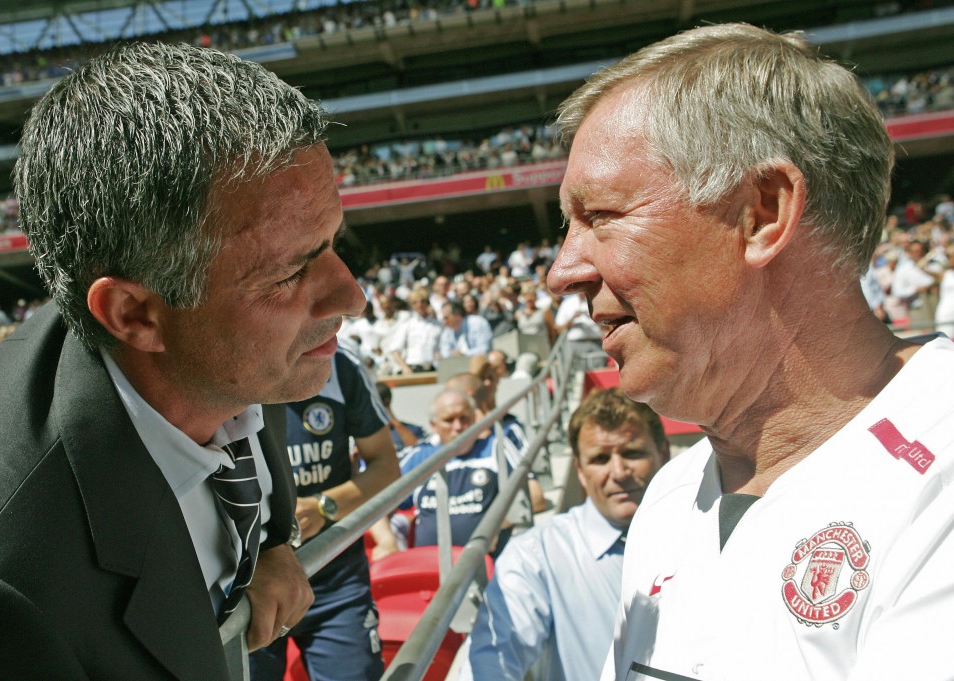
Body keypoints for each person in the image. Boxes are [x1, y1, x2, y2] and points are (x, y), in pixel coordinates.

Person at [0, 42, 366, 680]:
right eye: (290, 274)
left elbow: (239, 395)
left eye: (332, 242)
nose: (352, 295)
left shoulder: (215, 344)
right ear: (134, 315)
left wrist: (271, 542)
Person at [547, 23, 954, 681]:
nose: (563, 269)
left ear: (761, 213)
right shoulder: (672, 494)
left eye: (603, 218)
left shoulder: (938, 482)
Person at [460, 388, 668, 681]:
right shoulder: (536, 556)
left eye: (632, 453)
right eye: (600, 459)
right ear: (580, 471)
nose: (618, 472)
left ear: (664, 453)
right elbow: (491, 661)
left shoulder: (706, 533)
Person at [250, 347, 399, 681]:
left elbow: (387, 465)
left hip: (336, 581)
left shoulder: (341, 364)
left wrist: (323, 506)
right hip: (248, 587)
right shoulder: (228, 356)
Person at [398, 390, 522, 551]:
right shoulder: (419, 458)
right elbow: (377, 505)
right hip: (428, 566)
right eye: (449, 420)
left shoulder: (496, 448)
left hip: (484, 563)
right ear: (433, 425)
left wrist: (495, 528)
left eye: (464, 419)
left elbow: (530, 497)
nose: (458, 427)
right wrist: (387, 540)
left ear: (474, 419)